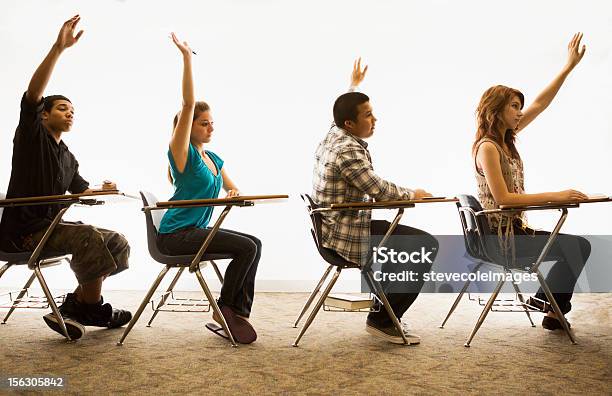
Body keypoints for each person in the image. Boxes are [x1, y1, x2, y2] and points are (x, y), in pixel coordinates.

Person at [0, 15, 132, 340]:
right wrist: (58, 49)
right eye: (62, 108)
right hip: (24, 235)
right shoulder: (31, 138)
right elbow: (32, 94)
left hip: (50, 230)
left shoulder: (68, 156)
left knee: (118, 241)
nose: (69, 113)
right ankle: (91, 309)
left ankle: (81, 305)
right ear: (44, 114)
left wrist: (104, 189)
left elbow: (83, 191)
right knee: (87, 236)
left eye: (72, 110)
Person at [312, 59, 439, 344]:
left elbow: (340, 112)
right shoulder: (347, 150)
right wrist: (413, 195)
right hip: (346, 236)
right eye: (368, 115)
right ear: (349, 123)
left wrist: (354, 85)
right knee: (424, 245)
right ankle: (383, 319)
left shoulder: (334, 134)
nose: (375, 119)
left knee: (405, 241)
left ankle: (383, 309)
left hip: (340, 226)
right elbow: (378, 189)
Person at [473, 33, 590, 330]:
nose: (520, 112)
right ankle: (548, 305)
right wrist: (557, 196)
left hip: (514, 232)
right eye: (513, 106)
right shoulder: (488, 147)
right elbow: (503, 200)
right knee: (575, 247)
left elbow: (540, 103)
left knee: (577, 246)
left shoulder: (506, 140)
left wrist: (568, 68)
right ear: (496, 110)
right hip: (501, 240)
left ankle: (549, 308)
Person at [156, 33, 261, 344]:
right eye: (203, 123)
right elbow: (189, 102)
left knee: (254, 242)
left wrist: (232, 193)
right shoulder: (182, 152)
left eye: (212, 122)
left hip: (197, 232)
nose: (210, 126)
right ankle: (226, 309)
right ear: (187, 127)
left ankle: (235, 310)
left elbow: (233, 188)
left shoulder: (213, 157)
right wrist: (187, 58)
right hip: (177, 235)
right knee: (248, 247)